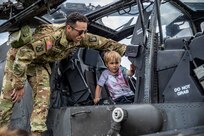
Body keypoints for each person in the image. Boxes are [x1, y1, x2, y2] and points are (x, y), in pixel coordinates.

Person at [0, 12, 127, 133]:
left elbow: (101, 42)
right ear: (68, 28)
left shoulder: (78, 37)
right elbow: (23, 56)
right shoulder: (51, 39)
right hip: (18, 61)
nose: (83, 35)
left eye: (85, 31)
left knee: (43, 98)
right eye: (81, 32)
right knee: (8, 99)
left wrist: (126, 50)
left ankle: (36, 133)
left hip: (38, 63)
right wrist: (19, 85)